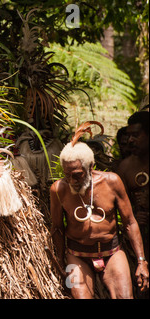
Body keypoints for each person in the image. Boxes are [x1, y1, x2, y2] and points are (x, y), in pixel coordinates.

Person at [50, 122, 148, 299]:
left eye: (78, 175)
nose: (72, 181)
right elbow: (57, 228)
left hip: (112, 252)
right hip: (76, 256)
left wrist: (142, 261)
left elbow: (130, 222)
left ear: (91, 167)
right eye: (67, 174)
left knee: (125, 297)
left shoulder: (112, 182)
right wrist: (59, 262)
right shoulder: (58, 189)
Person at [116, 112, 149, 296]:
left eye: (136, 135)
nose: (129, 141)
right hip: (141, 242)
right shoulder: (125, 168)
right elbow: (121, 211)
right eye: (128, 136)